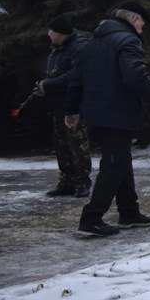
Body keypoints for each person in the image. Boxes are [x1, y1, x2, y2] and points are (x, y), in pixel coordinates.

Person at [65, 2, 150, 237]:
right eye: (142, 24)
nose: (142, 29)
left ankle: (129, 212)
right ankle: (91, 219)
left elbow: (76, 77)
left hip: (96, 114)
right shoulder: (127, 40)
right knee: (113, 166)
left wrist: (71, 110)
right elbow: (136, 74)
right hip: (117, 113)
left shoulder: (93, 42)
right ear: (134, 20)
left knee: (120, 160)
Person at [37, 16, 92, 197]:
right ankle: (66, 181)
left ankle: (82, 181)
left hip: (75, 105)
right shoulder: (56, 50)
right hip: (57, 104)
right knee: (62, 146)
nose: (48, 34)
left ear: (60, 33)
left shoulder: (78, 48)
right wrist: (44, 86)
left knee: (77, 145)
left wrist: (50, 84)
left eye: (51, 31)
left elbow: (75, 76)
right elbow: (53, 74)